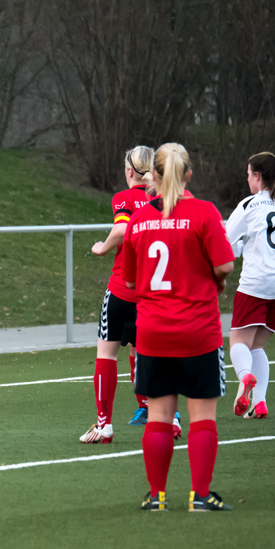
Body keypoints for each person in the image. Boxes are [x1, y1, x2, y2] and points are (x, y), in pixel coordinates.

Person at [122, 143, 235, 511]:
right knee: (201, 416)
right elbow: (225, 266)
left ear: (151, 175)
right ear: (188, 174)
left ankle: (156, 497)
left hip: (153, 330)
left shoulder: (138, 221)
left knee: (158, 415)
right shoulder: (203, 213)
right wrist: (211, 280)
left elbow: (131, 279)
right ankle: (200, 495)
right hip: (198, 329)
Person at [81, 146, 183, 443]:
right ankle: (171, 418)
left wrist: (102, 247)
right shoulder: (165, 200)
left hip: (123, 291)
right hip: (155, 295)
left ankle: (104, 424)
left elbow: (123, 228)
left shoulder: (124, 198)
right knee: (156, 355)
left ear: (129, 171)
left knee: (106, 353)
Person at [225, 153, 275, 419]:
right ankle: (259, 403)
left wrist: (238, 247)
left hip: (256, 284)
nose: (247, 179)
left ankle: (245, 377)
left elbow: (227, 241)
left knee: (238, 341)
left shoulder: (250, 204)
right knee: (257, 346)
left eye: (249, 174)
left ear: (258, 177)